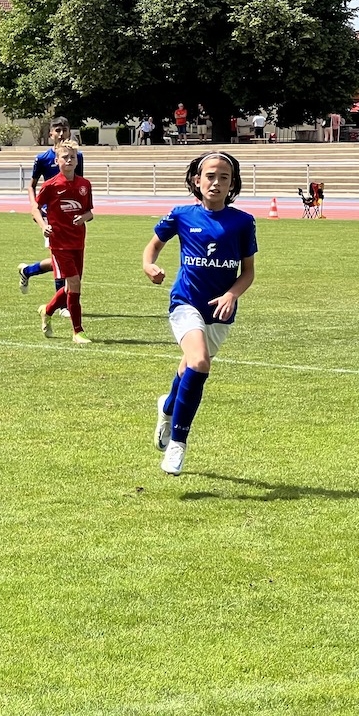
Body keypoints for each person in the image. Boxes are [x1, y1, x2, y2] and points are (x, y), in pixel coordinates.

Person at [142, 151, 257, 476]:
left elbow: (248, 272)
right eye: (210, 176)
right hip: (185, 302)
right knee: (200, 361)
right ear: (197, 180)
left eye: (224, 177)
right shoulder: (181, 215)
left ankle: (167, 408)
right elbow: (153, 246)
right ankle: (178, 444)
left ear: (232, 184)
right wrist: (149, 265)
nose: (216, 182)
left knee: (189, 368)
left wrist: (232, 294)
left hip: (220, 311)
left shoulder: (243, 222)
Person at [17, 117, 83, 314]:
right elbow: (32, 185)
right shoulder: (43, 158)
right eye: (58, 130)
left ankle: (28, 271)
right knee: (61, 258)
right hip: (50, 216)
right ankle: (62, 306)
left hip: (70, 215)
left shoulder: (77, 156)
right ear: (51, 133)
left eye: (65, 130)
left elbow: (78, 182)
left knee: (60, 260)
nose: (61, 134)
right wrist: (34, 206)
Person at [31, 141, 94, 344]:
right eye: (65, 157)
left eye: (72, 157)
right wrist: (43, 225)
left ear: (77, 160)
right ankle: (78, 331)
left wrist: (83, 218)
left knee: (70, 287)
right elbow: (35, 209)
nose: (69, 160)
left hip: (78, 242)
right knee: (74, 283)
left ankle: (47, 310)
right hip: (59, 243)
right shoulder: (51, 185)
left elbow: (89, 212)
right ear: (57, 161)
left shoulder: (85, 185)